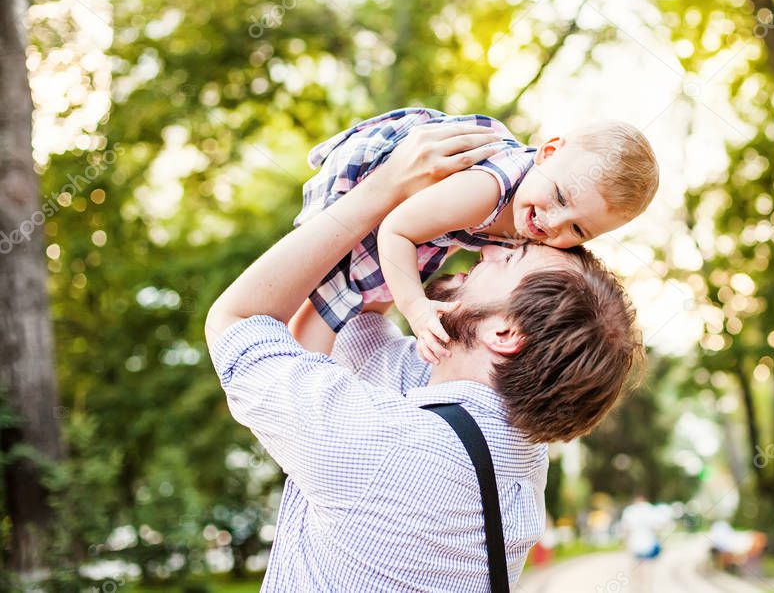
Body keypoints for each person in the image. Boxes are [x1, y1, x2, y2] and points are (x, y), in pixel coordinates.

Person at [204, 123, 646, 590]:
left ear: (505, 332)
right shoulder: (518, 451)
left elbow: (238, 320)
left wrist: (385, 187)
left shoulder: (382, 445)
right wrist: (425, 217)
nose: (492, 251)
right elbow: (359, 318)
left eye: (512, 259)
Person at [293, 107, 659, 363]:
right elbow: (397, 231)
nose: (554, 222)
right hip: (383, 189)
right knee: (334, 302)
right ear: (547, 153)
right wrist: (416, 309)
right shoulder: (485, 189)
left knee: (373, 299)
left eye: (578, 229)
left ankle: (345, 355)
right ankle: (287, 364)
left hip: (425, 225)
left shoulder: (533, 220)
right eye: (561, 196)